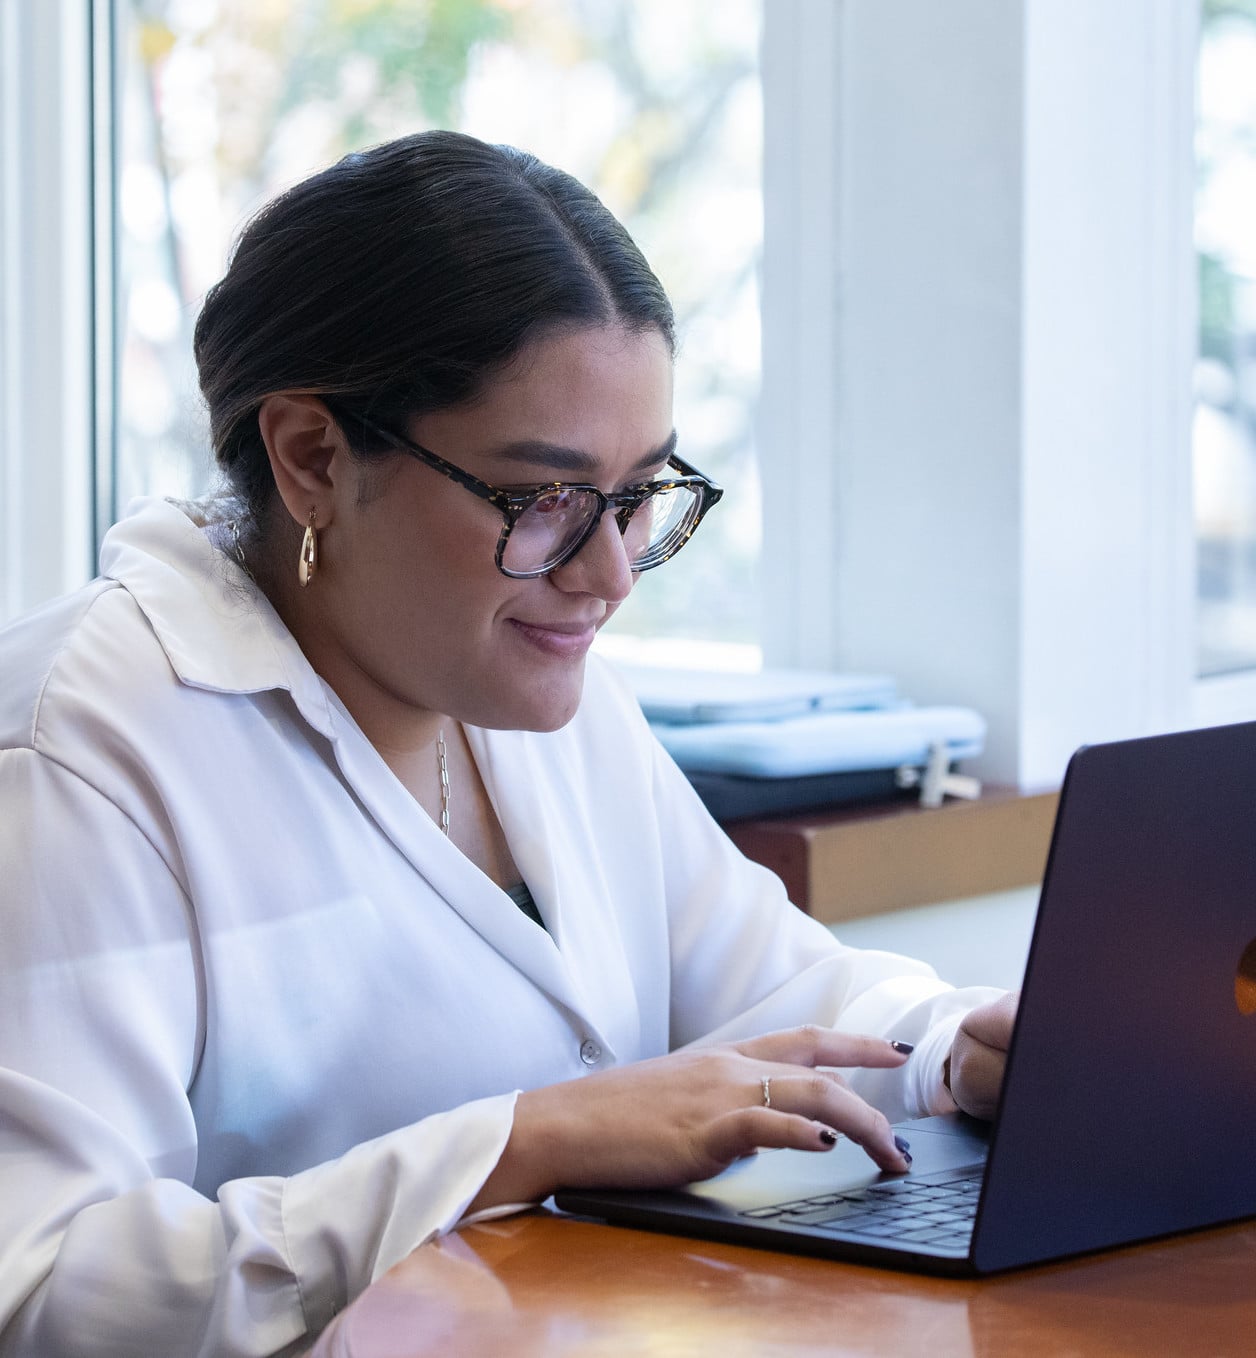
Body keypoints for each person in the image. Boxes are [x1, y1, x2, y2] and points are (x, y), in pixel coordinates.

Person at [0, 130, 1016, 1356]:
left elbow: (779, 995)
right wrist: (516, 1140)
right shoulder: (82, 750)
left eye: (639, 493)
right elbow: (44, 1285)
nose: (607, 572)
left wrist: (959, 1046)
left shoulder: (534, 682)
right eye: (542, 499)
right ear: (312, 456)